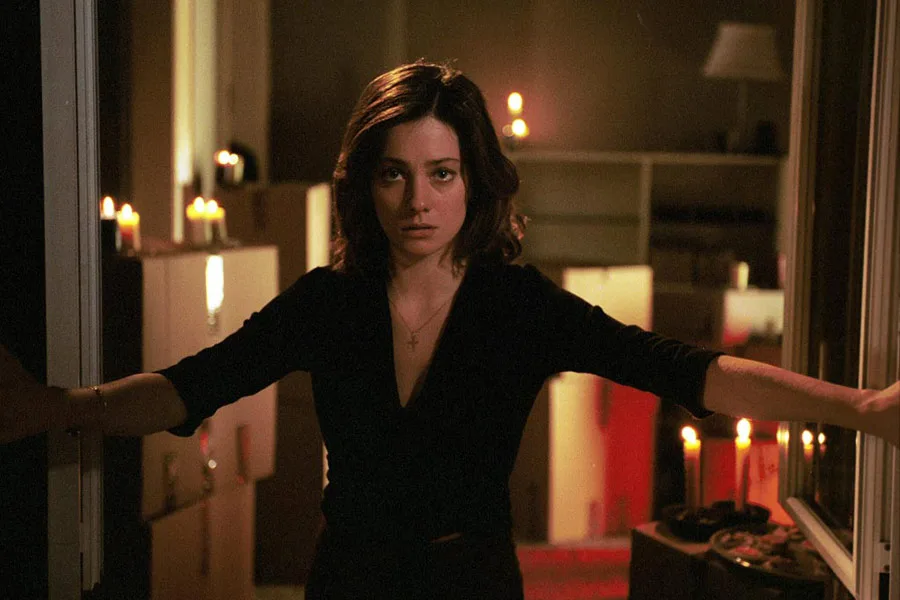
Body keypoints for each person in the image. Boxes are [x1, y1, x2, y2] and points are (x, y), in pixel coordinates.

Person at [1, 60, 898, 598]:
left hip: (473, 583)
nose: (418, 202)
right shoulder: (329, 302)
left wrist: (860, 409)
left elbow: (688, 371)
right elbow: (188, 387)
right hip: (349, 583)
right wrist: (56, 408)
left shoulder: (517, 306)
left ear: (475, 181)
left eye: (441, 173)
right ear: (366, 185)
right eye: (395, 174)